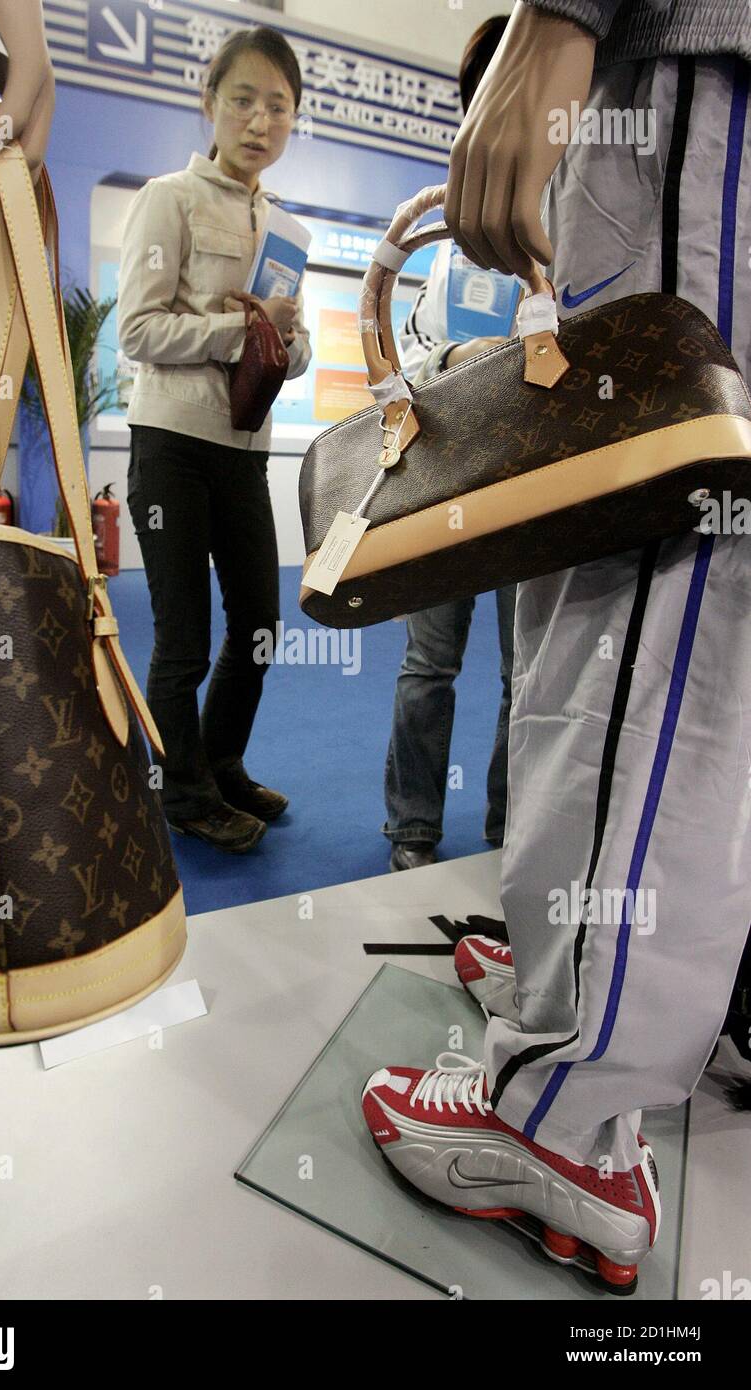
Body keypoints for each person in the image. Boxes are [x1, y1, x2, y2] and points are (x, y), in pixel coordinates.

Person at [363, 0, 751, 1288]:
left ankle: (569, 1115)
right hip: (680, 84)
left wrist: (564, 16)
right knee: (604, 592)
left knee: (665, 606)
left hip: (702, 69)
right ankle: (562, 972)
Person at [117, 27, 311, 854]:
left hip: (246, 449)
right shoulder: (170, 197)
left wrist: (287, 343)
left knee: (260, 626)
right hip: (171, 443)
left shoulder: (289, 231)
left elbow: (293, 350)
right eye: (244, 100)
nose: (260, 121)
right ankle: (183, 791)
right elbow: (137, 329)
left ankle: (222, 761)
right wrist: (235, 334)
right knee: (183, 636)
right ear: (210, 103)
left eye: (279, 107)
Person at [383, 16, 516, 873]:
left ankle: (511, 827)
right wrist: (456, 357)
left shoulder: (565, 236)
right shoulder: (443, 246)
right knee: (428, 666)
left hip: (528, 482)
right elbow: (409, 358)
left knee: (525, 677)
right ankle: (411, 832)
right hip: (442, 483)